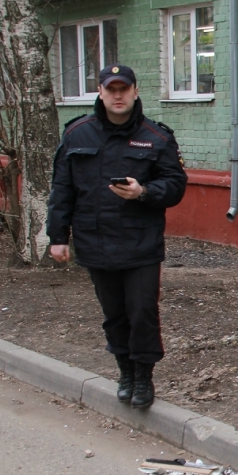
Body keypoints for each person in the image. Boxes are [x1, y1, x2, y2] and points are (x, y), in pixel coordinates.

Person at [47, 64, 187, 409]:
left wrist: (144, 192)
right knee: (114, 314)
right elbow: (61, 189)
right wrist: (57, 236)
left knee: (142, 311)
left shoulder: (157, 137)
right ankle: (124, 371)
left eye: (125, 88)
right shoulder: (77, 134)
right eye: (112, 89)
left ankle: (144, 375)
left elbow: (175, 186)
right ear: (101, 92)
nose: (118, 95)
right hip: (95, 240)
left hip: (140, 241)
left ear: (136, 91)